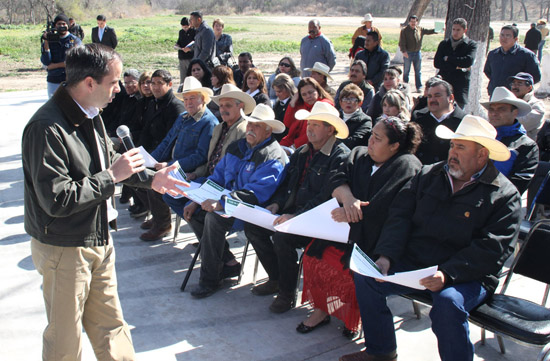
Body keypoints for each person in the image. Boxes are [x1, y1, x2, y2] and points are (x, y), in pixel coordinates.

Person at [23, 43, 187, 361]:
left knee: (112, 329)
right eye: (112, 83)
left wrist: (152, 178)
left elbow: (112, 160)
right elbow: (57, 199)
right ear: (89, 83)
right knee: (65, 340)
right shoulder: (46, 128)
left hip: (99, 238)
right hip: (64, 248)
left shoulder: (91, 113)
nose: (118, 89)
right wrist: (110, 178)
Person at [340, 115, 521, 361]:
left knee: (448, 304)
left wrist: (447, 274)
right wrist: (386, 256)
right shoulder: (429, 174)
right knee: (367, 275)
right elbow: (399, 216)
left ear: (481, 155)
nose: (452, 153)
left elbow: (492, 249)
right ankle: (381, 350)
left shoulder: (504, 195)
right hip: (417, 263)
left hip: (466, 276)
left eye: (461, 147)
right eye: (452, 145)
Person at [299, 117, 422, 337]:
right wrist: (347, 199)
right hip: (344, 230)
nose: (370, 141)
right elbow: (335, 178)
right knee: (313, 255)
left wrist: (352, 215)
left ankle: (351, 317)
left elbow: (394, 212)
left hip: (376, 237)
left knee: (351, 271)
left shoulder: (407, 167)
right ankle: (322, 310)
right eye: (371, 135)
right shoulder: (359, 154)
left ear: (394, 146)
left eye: (377, 138)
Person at [244, 101, 350, 313]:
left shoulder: (340, 156)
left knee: (283, 238)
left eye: (316, 124)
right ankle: (276, 277)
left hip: (320, 219)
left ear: (330, 129)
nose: (309, 128)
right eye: (309, 123)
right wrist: (277, 204)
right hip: (295, 213)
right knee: (253, 226)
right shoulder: (303, 152)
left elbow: (325, 198)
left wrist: (296, 216)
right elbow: (287, 184)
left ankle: (287, 293)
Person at [184, 104, 288, 298]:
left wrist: (222, 203)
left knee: (214, 219)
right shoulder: (237, 147)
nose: (250, 128)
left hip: (253, 209)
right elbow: (217, 177)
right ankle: (226, 263)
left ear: (268, 131)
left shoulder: (273, 156)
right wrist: (197, 201)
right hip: (231, 202)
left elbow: (256, 194)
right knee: (194, 213)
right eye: (250, 123)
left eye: (257, 126)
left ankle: (210, 280)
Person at [140, 77, 219, 241]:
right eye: (186, 99)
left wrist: (169, 166)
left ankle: (163, 224)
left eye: (193, 98)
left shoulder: (208, 122)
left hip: (189, 171)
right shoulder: (183, 116)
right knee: (141, 178)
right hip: (175, 164)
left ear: (203, 99)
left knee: (157, 185)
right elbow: (167, 141)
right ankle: (159, 218)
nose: (188, 102)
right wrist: (150, 160)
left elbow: (200, 156)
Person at [163, 83, 256, 217]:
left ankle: (206, 234)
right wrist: (196, 173)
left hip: (223, 183)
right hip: (207, 177)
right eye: (221, 106)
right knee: (170, 194)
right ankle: (204, 233)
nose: (223, 109)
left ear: (240, 106)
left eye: (228, 105)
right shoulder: (220, 127)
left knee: (195, 209)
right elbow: (210, 158)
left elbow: (233, 169)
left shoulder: (243, 130)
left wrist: (208, 185)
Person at [481, 86, 539, 195]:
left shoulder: (526, 145)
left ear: (515, 113)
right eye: (491, 109)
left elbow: (518, 184)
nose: (494, 113)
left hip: (499, 203)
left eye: (501, 109)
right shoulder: (481, 137)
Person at [412, 79, 467, 165]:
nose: (432, 100)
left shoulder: (464, 121)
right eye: (429, 96)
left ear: (451, 98)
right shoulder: (418, 117)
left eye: (437, 96)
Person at [138, 70, 186, 162]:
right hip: (150, 151)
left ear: (170, 84)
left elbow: (170, 141)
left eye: (160, 83)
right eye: (153, 83)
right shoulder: (153, 103)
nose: (155, 87)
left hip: (163, 157)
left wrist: (150, 159)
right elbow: (146, 132)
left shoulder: (175, 107)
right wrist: (139, 152)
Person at [484, 25, 541, 96]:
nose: (504, 38)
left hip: (515, 97)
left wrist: (519, 87)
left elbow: (535, 76)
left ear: (516, 39)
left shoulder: (527, 55)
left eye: (508, 36)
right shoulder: (493, 54)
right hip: (495, 93)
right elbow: (488, 71)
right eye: (502, 35)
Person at [433, 18, 477, 109]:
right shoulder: (444, 44)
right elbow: (437, 63)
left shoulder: (471, 45)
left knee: (458, 113)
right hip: (444, 83)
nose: (455, 33)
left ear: (464, 30)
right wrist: (457, 66)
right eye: (453, 29)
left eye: (458, 30)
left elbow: (468, 61)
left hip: (460, 86)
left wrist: (448, 58)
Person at [280, 77, 334, 150]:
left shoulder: (324, 105)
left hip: (311, 145)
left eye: (310, 92)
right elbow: (287, 123)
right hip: (292, 142)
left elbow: (313, 132)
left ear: (317, 90)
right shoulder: (302, 105)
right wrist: (292, 103)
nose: (308, 96)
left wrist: (293, 147)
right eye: (304, 94)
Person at [41, 14, 81, 98]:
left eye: (64, 24)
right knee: (54, 107)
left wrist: (55, 65)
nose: (61, 26)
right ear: (55, 25)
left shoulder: (75, 40)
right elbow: (46, 62)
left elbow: (75, 62)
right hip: (53, 79)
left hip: (70, 79)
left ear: (68, 25)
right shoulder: (50, 40)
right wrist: (46, 43)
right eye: (59, 24)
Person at [398, 15, 438, 93]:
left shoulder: (420, 29)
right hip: (408, 53)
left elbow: (429, 31)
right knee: (406, 71)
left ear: (417, 22)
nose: (413, 23)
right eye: (411, 21)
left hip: (417, 53)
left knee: (418, 71)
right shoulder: (404, 31)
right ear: (409, 22)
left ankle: (419, 87)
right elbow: (401, 42)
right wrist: (404, 51)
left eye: (415, 21)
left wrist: (438, 30)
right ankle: (405, 87)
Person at [508, 72, 546, 140]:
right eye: (513, 83)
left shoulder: (537, 105)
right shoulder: (508, 103)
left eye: (519, 83)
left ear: (529, 88)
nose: (514, 87)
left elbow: (524, 124)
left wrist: (504, 117)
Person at [338, 83, 373, 149]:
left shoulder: (365, 120)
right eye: (345, 99)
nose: (348, 102)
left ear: (360, 103)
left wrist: (332, 140)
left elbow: (353, 142)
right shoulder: (336, 116)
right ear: (340, 102)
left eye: (352, 99)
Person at [271, 73, 297, 141]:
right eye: (275, 91)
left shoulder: (294, 103)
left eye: (279, 91)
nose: (276, 94)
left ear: (288, 89)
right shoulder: (278, 103)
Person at [175, 17, 196, 86]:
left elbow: (196, 44)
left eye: (186, 27)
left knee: (191, 76)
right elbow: (179, 42)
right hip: (182, 57)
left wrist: (190, 49)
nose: (185, 29)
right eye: (183, 27)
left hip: (190, 57)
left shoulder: (194, 32)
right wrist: (177, 45)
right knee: (183, 77)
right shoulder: (181, 32)